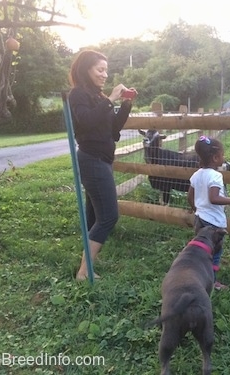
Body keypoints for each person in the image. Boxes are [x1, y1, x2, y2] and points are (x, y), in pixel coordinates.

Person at [68, 50, 137, 281]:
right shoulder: (78, 94)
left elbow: (112, 130)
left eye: (106, 70)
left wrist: (125, 106)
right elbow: (86, 121)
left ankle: (88, 260)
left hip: (103, 160)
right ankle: (84, 271)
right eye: (100, 69)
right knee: (108, 216)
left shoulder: (97, 96)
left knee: (94, 215)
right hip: (92, 159)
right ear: (86, 69)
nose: (105, 74)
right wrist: (110, 100)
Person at [188, 135, 230, 289]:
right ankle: (212, 282)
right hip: (213, 224)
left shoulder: (197, 174)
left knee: (201, 251)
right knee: (214, 254)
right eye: (222, 154)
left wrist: (197, 210)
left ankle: (197, 277)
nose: (224, 157)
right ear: (215, 158)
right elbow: (214, 198)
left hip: (199, 220)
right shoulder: (216, 176)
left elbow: (190, 196)